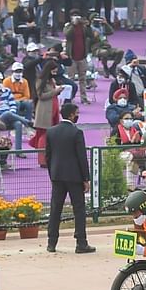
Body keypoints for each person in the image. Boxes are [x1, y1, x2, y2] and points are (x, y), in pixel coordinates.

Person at [45, 102, 93, 253]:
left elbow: (48, 156)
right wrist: (86, 178)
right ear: (72, 114)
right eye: (76, 113)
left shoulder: (51, 132)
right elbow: (81, 157)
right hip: (74, 177)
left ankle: (51, 243)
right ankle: (81, 243)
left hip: (57, 176)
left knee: (55, 209)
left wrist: (52, 174)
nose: (77, 115)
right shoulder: (76, 132)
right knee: (78, 210)